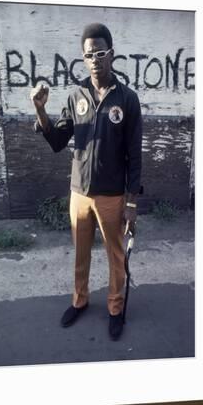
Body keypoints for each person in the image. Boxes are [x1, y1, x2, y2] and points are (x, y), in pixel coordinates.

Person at [30, 23, 142, 340]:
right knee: (80, 253)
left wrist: (131, 202)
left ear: (112, 55)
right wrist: (41, 112)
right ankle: (79, 301)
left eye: (101, 53)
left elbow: (136, 155)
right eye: (89, 54)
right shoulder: (75, 96)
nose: (95, 59)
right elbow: (56, 139)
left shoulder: (127, 99)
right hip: (78, 194)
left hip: (112, 197)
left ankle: (115, 308)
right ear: (84, 58)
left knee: (115, 257)